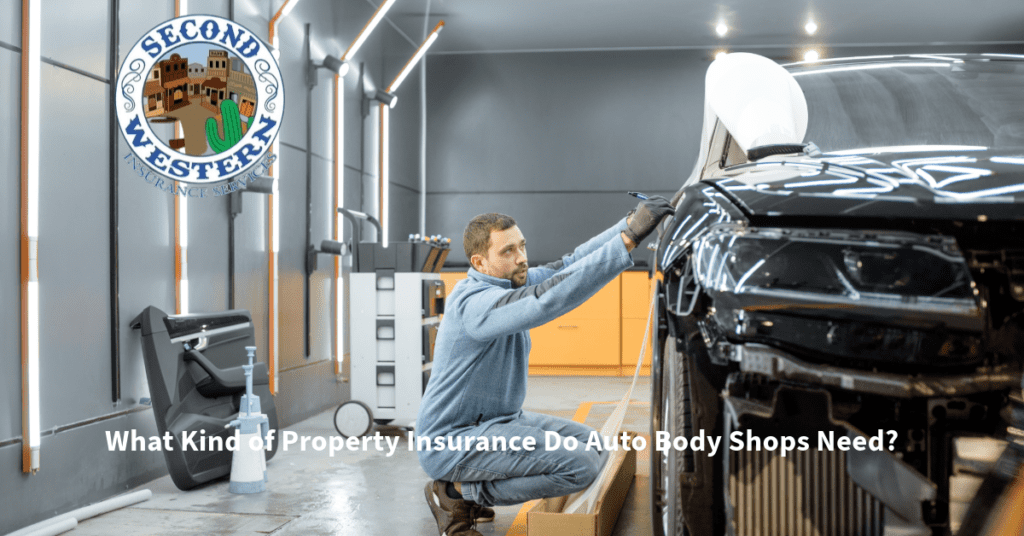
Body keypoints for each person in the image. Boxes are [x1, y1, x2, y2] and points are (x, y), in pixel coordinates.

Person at [416, 196, 675, 536]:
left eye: (521, 246)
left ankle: (468, 488)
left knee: (596, 446)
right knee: (579, 467)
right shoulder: (474, 303)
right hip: (453, 439)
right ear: (479, 262)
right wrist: (627, 240)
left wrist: (629, 229)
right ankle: (456, 493)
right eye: (507, 251)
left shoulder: (511, 281)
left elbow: (565, 267)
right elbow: (546, 299)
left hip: (501, 421)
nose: (521, 258)